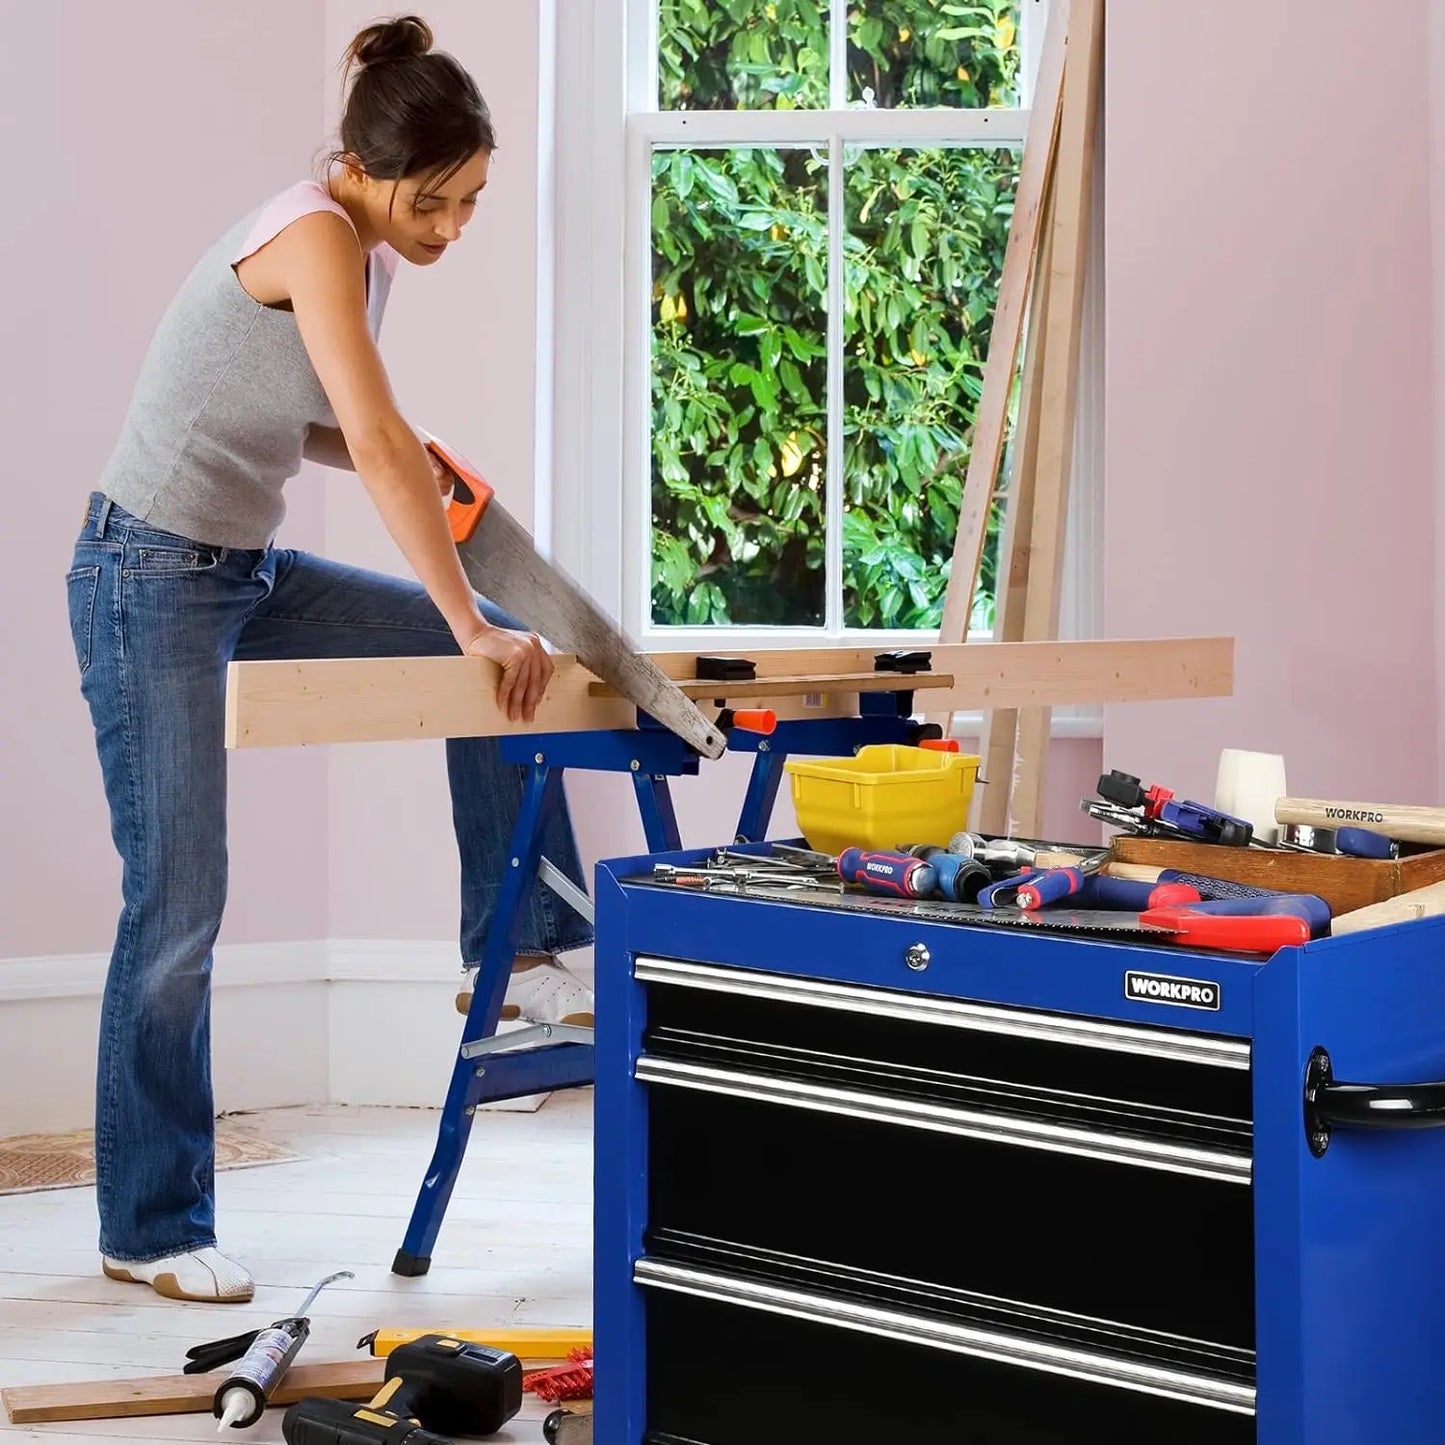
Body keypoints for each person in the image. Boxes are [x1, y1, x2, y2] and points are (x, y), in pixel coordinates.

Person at [64, 14, 594, 1305]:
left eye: (471, 203)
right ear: (364, 165)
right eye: (439, 201)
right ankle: (149, 1221)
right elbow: (364, 416)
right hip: (146, 579)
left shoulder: (358, 245)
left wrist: (425, 499)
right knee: (177, 904)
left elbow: (303, 421)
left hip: (233, 567)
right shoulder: (312, 231)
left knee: (484, 651)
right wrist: (428, 520)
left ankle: (516, 951)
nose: (454, 226)